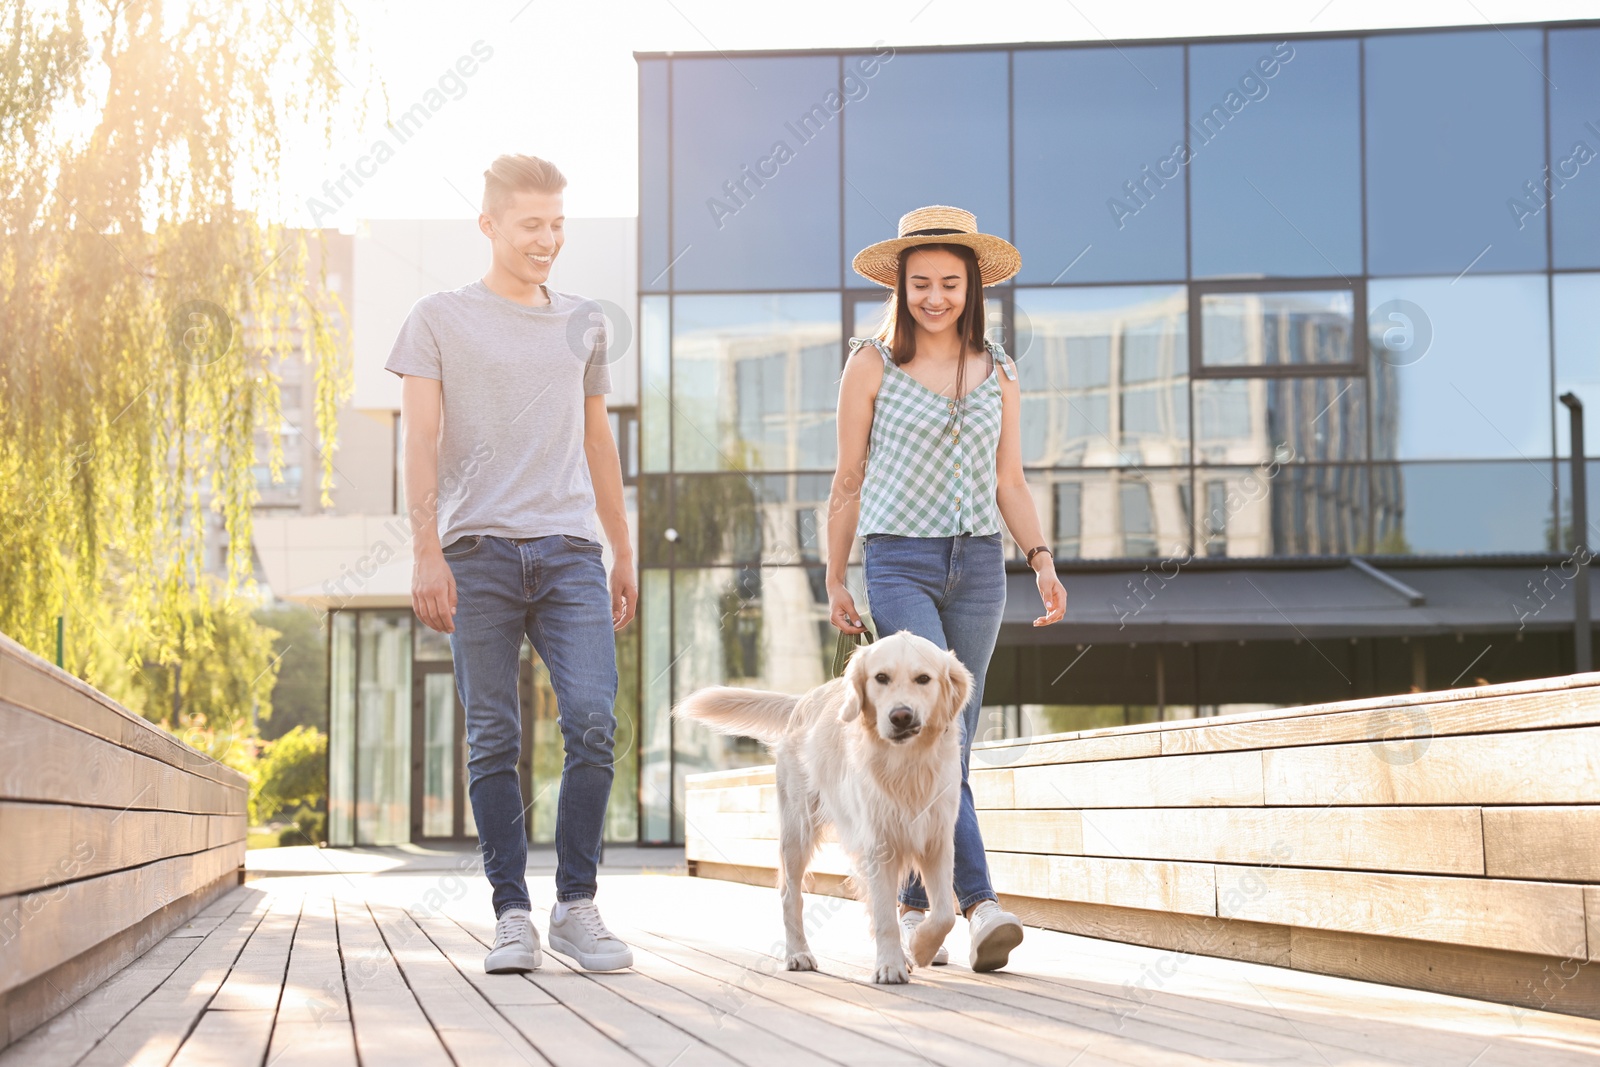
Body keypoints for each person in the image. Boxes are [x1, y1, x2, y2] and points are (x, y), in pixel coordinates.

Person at [385, 154, 637, 975]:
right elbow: (418, 440)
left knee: (593, 720)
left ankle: (576, 904)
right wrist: (425, 548)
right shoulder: (437, 318)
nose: (548, 239)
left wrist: (622, 548)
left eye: (558, 223)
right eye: (532, 223)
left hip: (570, 551)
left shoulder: (585, 322)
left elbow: (599, 439)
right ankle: (511, 912)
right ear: (490, 224)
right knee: (493, 736)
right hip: (477, 550)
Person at [825, 205, 1068, 972]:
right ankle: (980, 903)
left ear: (972, 288)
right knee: (929, 730)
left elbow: (1012, 480)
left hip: (980, 569)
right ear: (902, 284)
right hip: (898, 560)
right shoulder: (870, 363)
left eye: (950, 283)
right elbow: (847, 479)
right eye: (922, 282)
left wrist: (1042, 557)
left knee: (952, 740)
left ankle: (903, 901)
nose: (935, 296)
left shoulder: (999, 369)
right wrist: (835, 573)